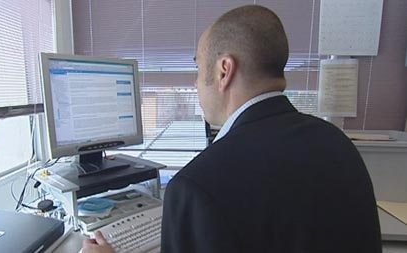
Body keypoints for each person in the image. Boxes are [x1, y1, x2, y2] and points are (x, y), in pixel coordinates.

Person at [80, 5, 382, 253]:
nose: (195, 83)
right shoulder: (337, 143)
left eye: (198, 68)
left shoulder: (197, 188)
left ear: (224, 70)